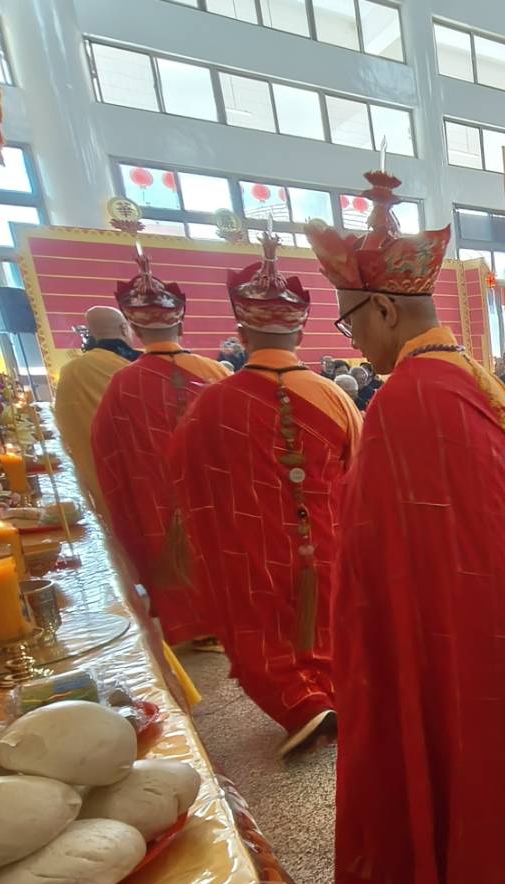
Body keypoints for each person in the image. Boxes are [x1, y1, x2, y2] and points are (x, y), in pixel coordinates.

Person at [307, 168, 505, 884]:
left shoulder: (404, 402)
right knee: (501, 756)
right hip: (500, 625)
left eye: (352, 319)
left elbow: (372, 559)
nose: (353, 339)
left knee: (452, 756)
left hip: (444, 634)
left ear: (385, 309)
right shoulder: (473, 378)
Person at [168, 234, 360, 757]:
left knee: (259, 624)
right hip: (324, 537)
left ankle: (298, 703)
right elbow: (359, 468)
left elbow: (184, 472)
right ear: (300, 330)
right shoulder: (334, 395)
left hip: (244, 541)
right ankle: (332, 690)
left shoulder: (212, 403)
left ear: (241, 331)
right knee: (327, 616)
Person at [91, 246, 228, 646]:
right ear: (180, 322)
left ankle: (189, 627)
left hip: (155, 496)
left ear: (133, 328)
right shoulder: (215, 372)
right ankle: (226, 619)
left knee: (168, 548)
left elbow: (106, 452)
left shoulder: (123, 384)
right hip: (216, 493)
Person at [53, 306, 138, 514]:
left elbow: (66, 427)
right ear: (125, 329)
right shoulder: (142, 365)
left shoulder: (71, 372)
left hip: (105, 473)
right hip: (151, 467)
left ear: (91, 333)